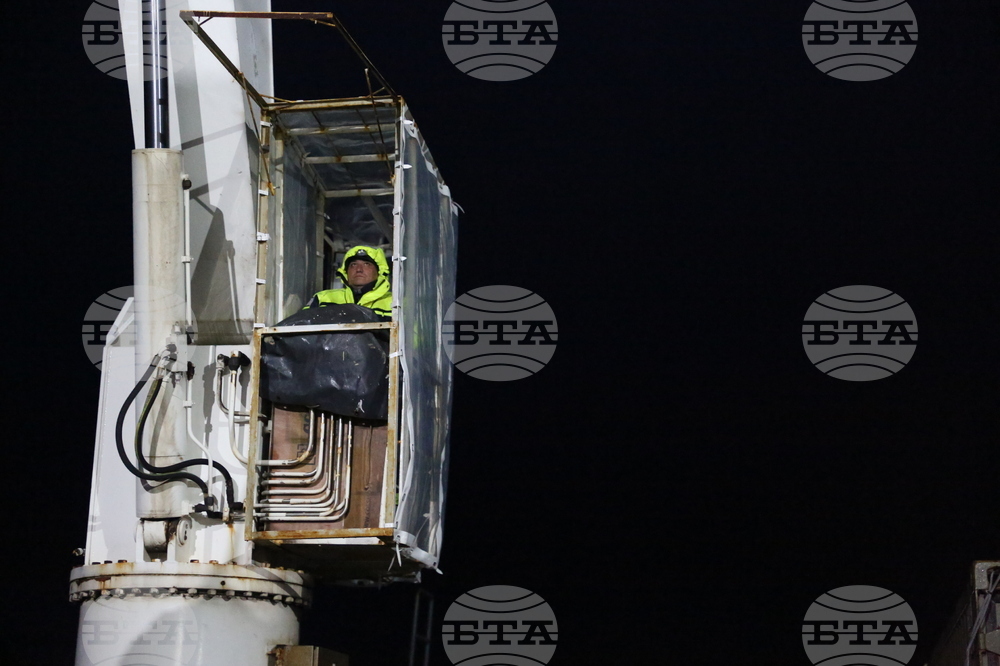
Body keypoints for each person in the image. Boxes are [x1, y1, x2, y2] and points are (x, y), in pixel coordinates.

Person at [304, 245, 392, 319]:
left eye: (366, 264)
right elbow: (300, 327)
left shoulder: (395, 303)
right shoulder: (322, 299)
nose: (359, 269)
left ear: (379, 272)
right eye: (353, 264)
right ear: (345, 272)